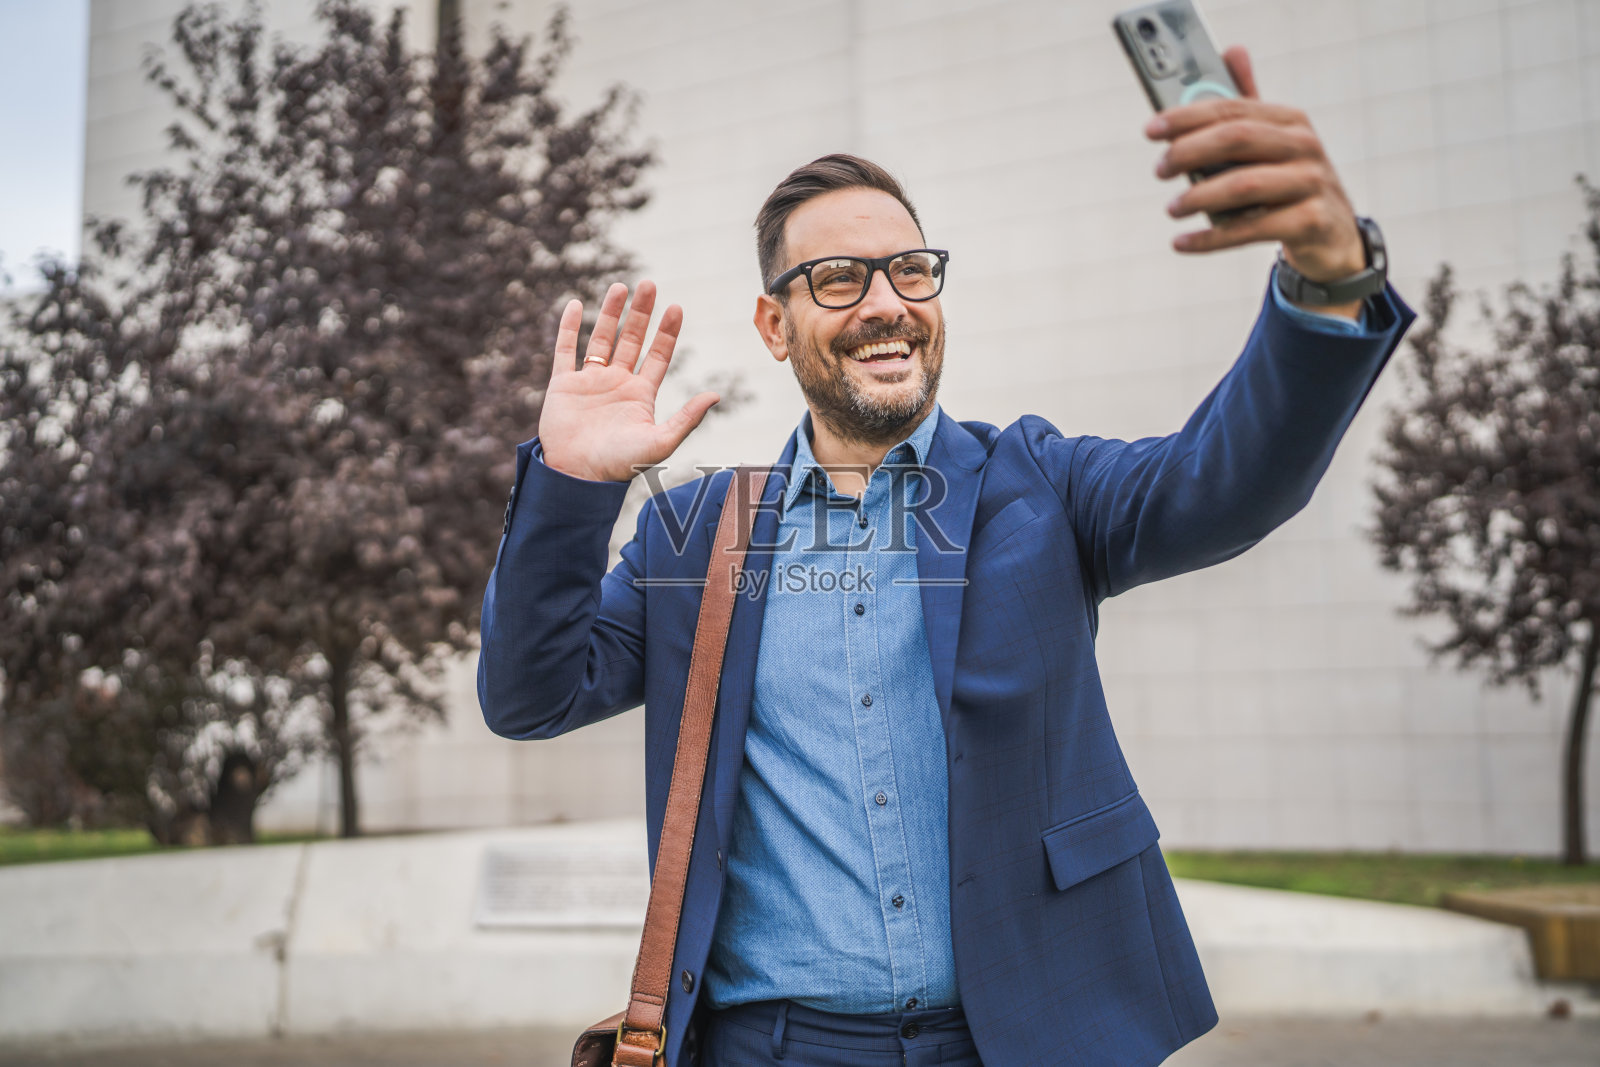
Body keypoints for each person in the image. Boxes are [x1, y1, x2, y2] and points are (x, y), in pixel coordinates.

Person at [478, 46, 1412, 1067]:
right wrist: (572, 484)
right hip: (773, 1046)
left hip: (1027, 1036)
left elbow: (1226, 483)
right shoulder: (693, 535)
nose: (886, 302)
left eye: (909, 269)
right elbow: (528, 694)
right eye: (836, 278)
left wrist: (1327, 281)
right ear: (773, 325)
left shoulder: (1038, 484)